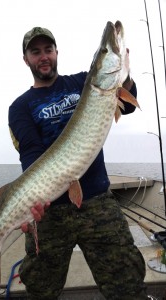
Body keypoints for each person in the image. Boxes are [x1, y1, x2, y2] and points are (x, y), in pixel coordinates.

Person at [8, 27, 147, 300]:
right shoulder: (20, 107)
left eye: (48, 50)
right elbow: (32, 156)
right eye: (35, 52)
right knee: (41, 289)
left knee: (127, 284)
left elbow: (128, 105)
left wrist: (125, 76)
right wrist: (32, 200)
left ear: (56, 52)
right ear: (26, 59)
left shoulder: (84, 84)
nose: (43, 56)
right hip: (50, 214)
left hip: (97, 200)